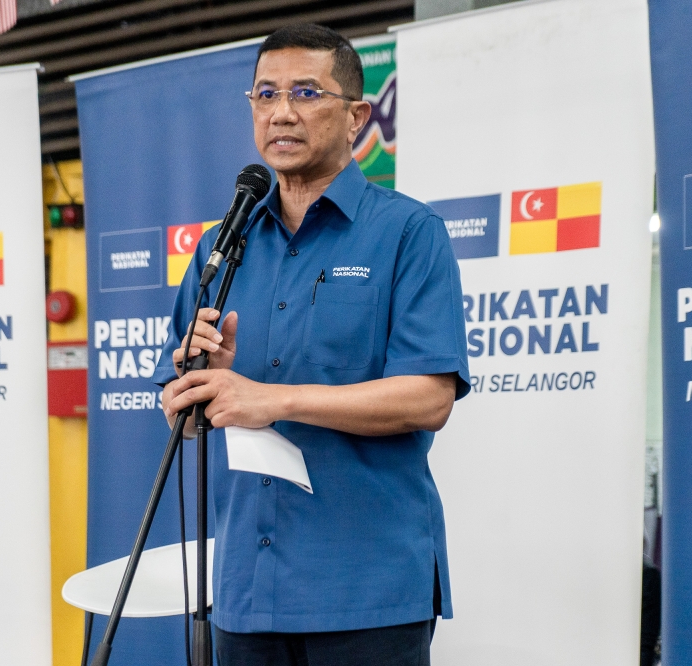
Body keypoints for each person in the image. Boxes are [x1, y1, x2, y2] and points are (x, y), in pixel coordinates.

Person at [153, 23, 470, 666]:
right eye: (265, 95)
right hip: (246, 589)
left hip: (366, 588)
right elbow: (179, 412)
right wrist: (193, 393)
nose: (282, 112)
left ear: (356, 116)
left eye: (306, 92)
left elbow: (428, 398)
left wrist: (270, 399)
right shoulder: (222, 248)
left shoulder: (409, 232)